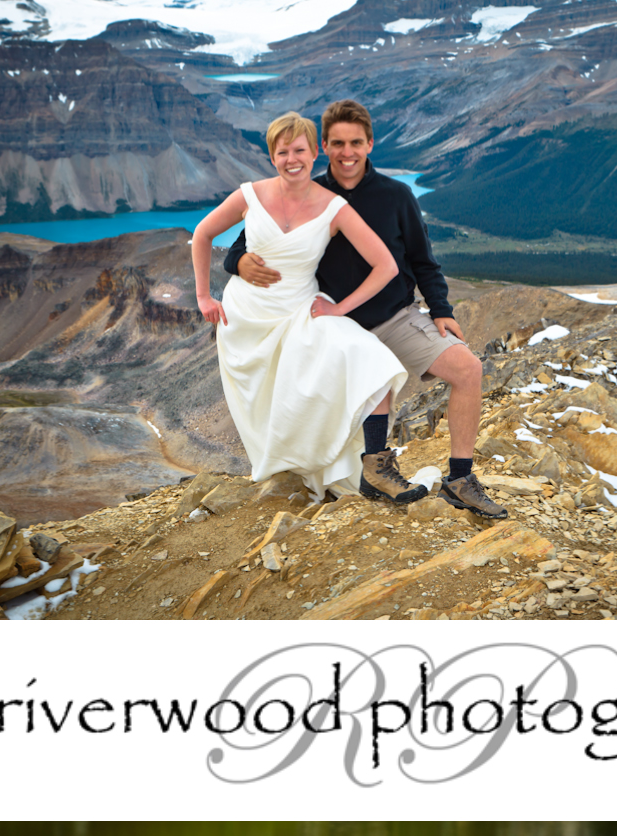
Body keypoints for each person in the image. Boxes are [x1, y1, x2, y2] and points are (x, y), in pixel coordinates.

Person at [226, 100, 507, 521]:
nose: (347, 152)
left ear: (370, 143)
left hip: (395, 316)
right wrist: (238, 263)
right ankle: (366, 469)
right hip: (327, 327)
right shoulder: (305, 190)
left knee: (467, 369)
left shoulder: (397, 196)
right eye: (337, 143)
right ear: (324, 146)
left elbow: (421, 259)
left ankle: (460, 480)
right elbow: (248, 246)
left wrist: (441, 308)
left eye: (356, 142)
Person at [191, 115, 413, 507]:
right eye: (282, 152)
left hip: (300, 314)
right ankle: (295, 476)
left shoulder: (334, 207)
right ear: (271, 156)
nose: (291, 159)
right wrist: (204, 297)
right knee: (271, 406)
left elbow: (387, 266)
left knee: (370, 360)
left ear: (315, 153)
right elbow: (203, 234)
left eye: (299, 151)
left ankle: (374, 468)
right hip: (245, 321)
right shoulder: (250, 194)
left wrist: (340, 308)